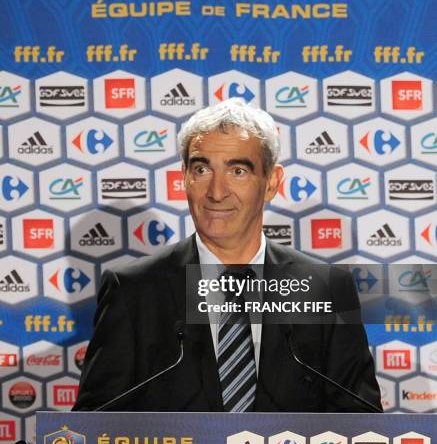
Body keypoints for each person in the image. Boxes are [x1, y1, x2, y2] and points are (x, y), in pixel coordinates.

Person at [73, 98, 381, 413]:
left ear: (272, 182)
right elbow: (93, 430)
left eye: (237, 171)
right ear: (184, 177)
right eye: (202, 169)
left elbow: (361, 423)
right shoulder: (133, 292)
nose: (217, 192)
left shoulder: (327, 289)